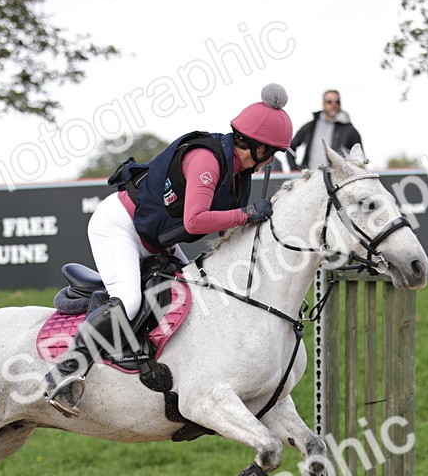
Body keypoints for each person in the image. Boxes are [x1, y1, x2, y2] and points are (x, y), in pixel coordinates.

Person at [44, 84, 293, 417]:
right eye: (272, 151)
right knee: (129, 300)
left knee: (197, 291)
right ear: (258, 146)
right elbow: (195, 220)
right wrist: (246, 214)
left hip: (155, 238)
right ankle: (64, 375)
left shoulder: (238, 171)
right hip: (119, 226)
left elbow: (223, 226)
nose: (272, 159)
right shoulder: (208, 159)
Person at [290, 90, 362, 170]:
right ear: (323, 104)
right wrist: (294, 169)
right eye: (329, 102)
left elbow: (359, 159)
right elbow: (291, 147)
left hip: (337, 177)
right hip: (311, 176)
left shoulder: (350, 131)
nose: (334, 105)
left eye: (337, 102)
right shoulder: (310, 126)